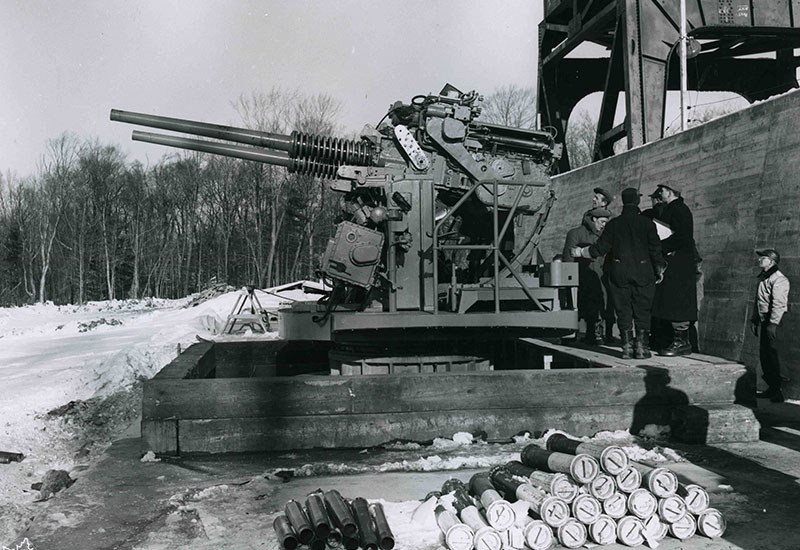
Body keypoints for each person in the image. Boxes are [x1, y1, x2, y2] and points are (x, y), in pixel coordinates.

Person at [572, 188, 665, 359]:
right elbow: (655, 250)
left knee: (623, 310)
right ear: (637, 202)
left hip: (619, 272)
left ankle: (627, 348)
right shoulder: (647, 224)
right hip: (644, 272)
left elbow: (600, 248)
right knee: (642, 309)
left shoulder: (614, 224)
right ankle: (642, 348)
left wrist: (581, 252)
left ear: (623, 201)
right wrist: (659, 269)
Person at [650, 184, 697, 356]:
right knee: (672, 301)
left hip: (679, 264)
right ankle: (675, 341)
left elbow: (683, 236)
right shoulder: (675, 209)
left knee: (678, 302)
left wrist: (660, 246)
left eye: (661, 191)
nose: (659, 194)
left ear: (670, 192)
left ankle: (681, 343)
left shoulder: (679, 210)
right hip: (676, 262)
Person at [562, 207, 612, 344]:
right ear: (594, 219)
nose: (604, 225)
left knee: (601, 305)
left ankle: (594, 332)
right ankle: (575, 332)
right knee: (582, 305)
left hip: (600, 276)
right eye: (602, 221)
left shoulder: (604, 235)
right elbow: (568, 259)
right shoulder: (575, 234)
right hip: (582, 276)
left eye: (606, 222)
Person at [751, 248, 790, 403]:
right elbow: (758, 301)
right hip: (764, 319)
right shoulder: (763, 278)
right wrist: (755, 320)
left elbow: (779, 304)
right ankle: (772, 388)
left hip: (775, 320)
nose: (760, 260)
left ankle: (779, 391)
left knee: (774, 356)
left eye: (763, 258)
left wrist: (773, 324)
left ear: (771, 261)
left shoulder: (779, 279)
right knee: (765, 355)